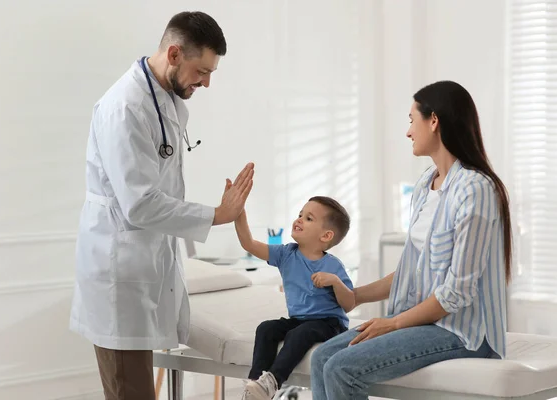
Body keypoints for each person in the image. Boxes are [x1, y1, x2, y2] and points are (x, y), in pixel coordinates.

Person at [69, 11, 254, 400]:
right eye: (202, 71)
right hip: (119, 272)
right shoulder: (126, 107)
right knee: (131, 391)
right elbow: (140, 204)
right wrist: (218, 215)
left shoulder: (163, 98)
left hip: (144, 265)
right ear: (173, 54)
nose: (206, 82)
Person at [310, 80, 512, 400]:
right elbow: (412, 268)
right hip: (425, 323)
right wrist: (354, 295)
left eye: (411, 120)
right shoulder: (424, 185)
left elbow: (457, 293)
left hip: (463, 332)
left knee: (341, 368)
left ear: (434, 121)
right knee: (321, 358)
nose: (408, 132)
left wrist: (393, 324)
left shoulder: (475, 189)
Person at [234, 196, 355, 400]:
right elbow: (249, 244)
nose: (299, 219)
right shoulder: (286, 254)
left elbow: (349, 304)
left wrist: (335, 282)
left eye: (308, 218)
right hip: (299, 320)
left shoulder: (333, 265)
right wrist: (239, 214)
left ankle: (272, 381)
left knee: (299, 334)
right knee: (267, 328)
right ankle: (255, 387)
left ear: (325, 235)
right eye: (300, 214)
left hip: (329, 323)